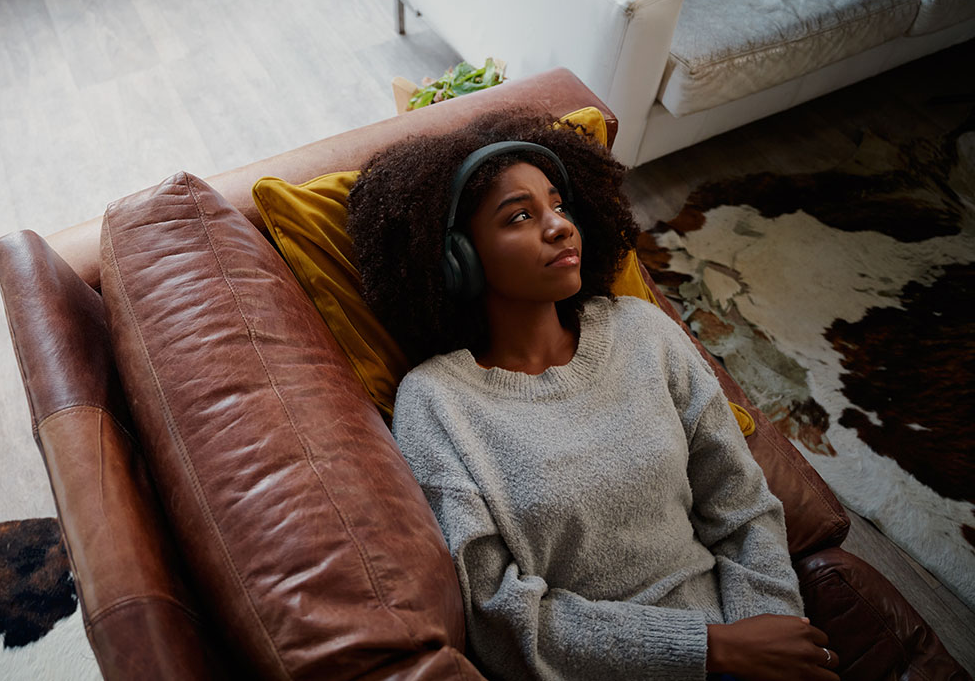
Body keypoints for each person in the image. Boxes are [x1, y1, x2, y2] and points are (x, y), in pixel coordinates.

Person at [345, 111, 839, 681]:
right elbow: (499, 617)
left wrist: (773, 634)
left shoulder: (641, 330)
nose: (559, 227)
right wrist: (709, 649)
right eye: (521, 216)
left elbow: (742, 504)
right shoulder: (436, 403)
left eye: (558, 206)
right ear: (459, 258)